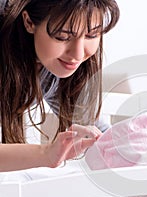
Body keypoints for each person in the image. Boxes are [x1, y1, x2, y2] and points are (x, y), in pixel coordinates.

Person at [0, 0, 119, 171]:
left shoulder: (53, 69)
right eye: (62, 37)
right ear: (28, 22)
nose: (77, 54)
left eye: (92, 35)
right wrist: (46, 154)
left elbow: (98, 132)